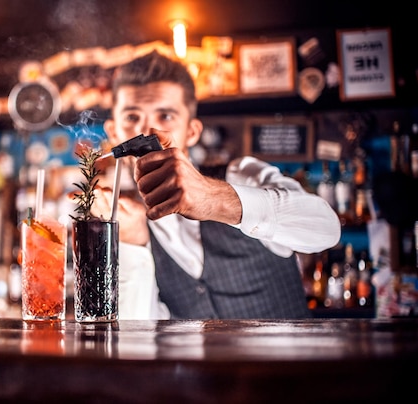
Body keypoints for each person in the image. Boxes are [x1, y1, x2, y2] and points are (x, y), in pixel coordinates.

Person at [91, 50, 341, 320]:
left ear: (192, 131)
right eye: (131, 118)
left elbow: (327, 227)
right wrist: (134, 246)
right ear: (114, 133)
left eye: (165, 116)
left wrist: (215, 199)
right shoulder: (128, 224)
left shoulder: (240, 174)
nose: (146, 132)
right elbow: (136, 344)